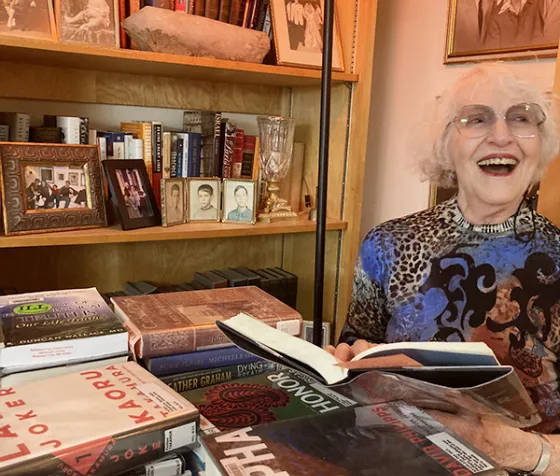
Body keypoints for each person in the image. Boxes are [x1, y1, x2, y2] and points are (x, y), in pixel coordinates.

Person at [328, 64, 560, 474]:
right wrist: (346, 363)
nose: (502, 135)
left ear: (540, 143)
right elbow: (355, 364)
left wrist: (519, 451)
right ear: (444, 145)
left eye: (521, 118)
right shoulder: (387, 245)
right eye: (477, 118)